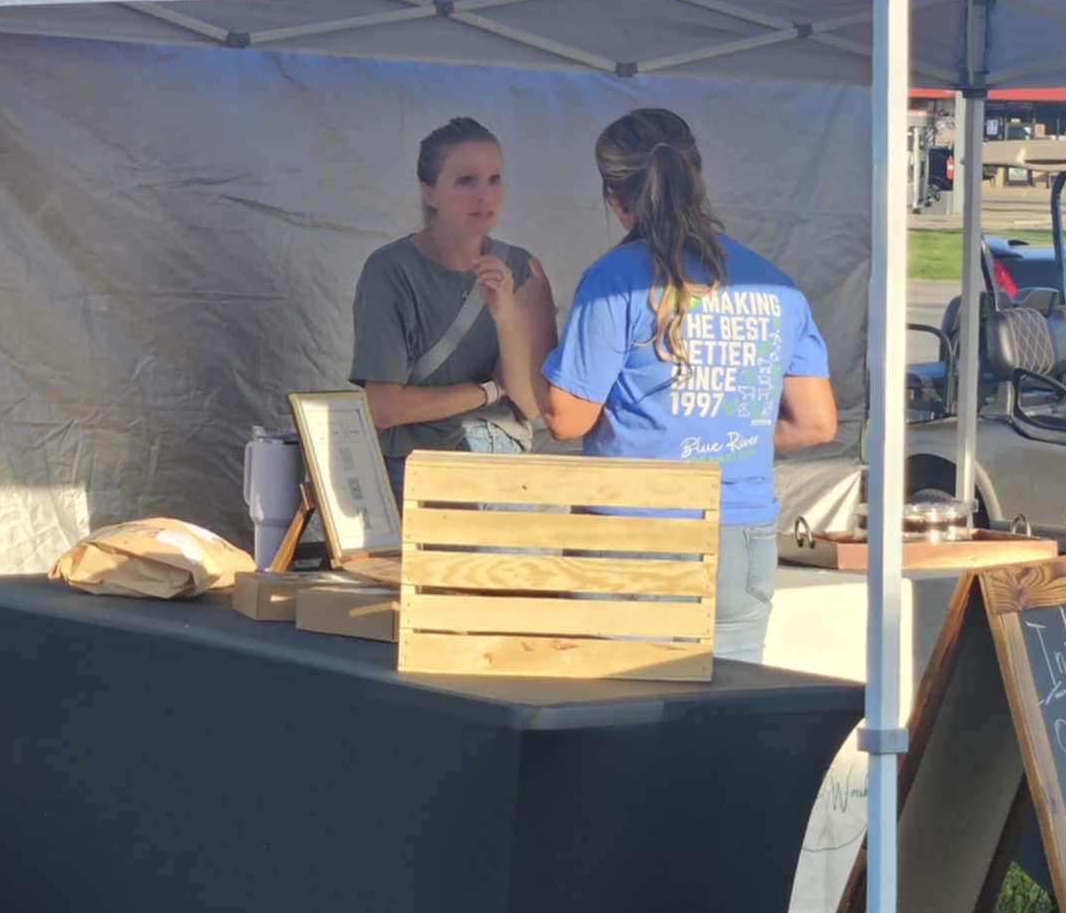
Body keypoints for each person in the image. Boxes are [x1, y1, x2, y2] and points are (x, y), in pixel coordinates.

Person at [531, 108, 838, 660]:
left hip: (629, 529)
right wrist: (719, 439)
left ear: (613, 195)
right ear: (697, 179)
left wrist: (523, 322)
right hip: (739, 534)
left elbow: (566, 418)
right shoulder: (775, 283)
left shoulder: (612, 281)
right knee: (721, 721)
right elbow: (815, 423)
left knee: (617, 715)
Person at [351, 117, 557, 500]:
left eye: (494, 179)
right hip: (424, 469)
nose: (485, 195)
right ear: (430, 192)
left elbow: (530, 404)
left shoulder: (523, 267)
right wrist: (490, 390)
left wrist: (506, 316)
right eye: (467, 181)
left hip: (508, 471)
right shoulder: (391, 269)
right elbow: (385, 408)